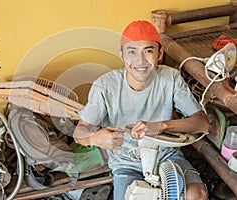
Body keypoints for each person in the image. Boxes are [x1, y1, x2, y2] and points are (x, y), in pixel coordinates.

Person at [73, 20, 209, 200]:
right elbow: (79, 132)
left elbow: (202, 123)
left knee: (195, 194)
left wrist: (161, 126)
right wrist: (94, 138)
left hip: (167, 156)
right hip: (127, 164)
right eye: (132, 52)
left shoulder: (170, 78)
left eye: (148, 51)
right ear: (121, 55)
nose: (140, 61)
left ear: (160, 54)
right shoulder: (105, 86)